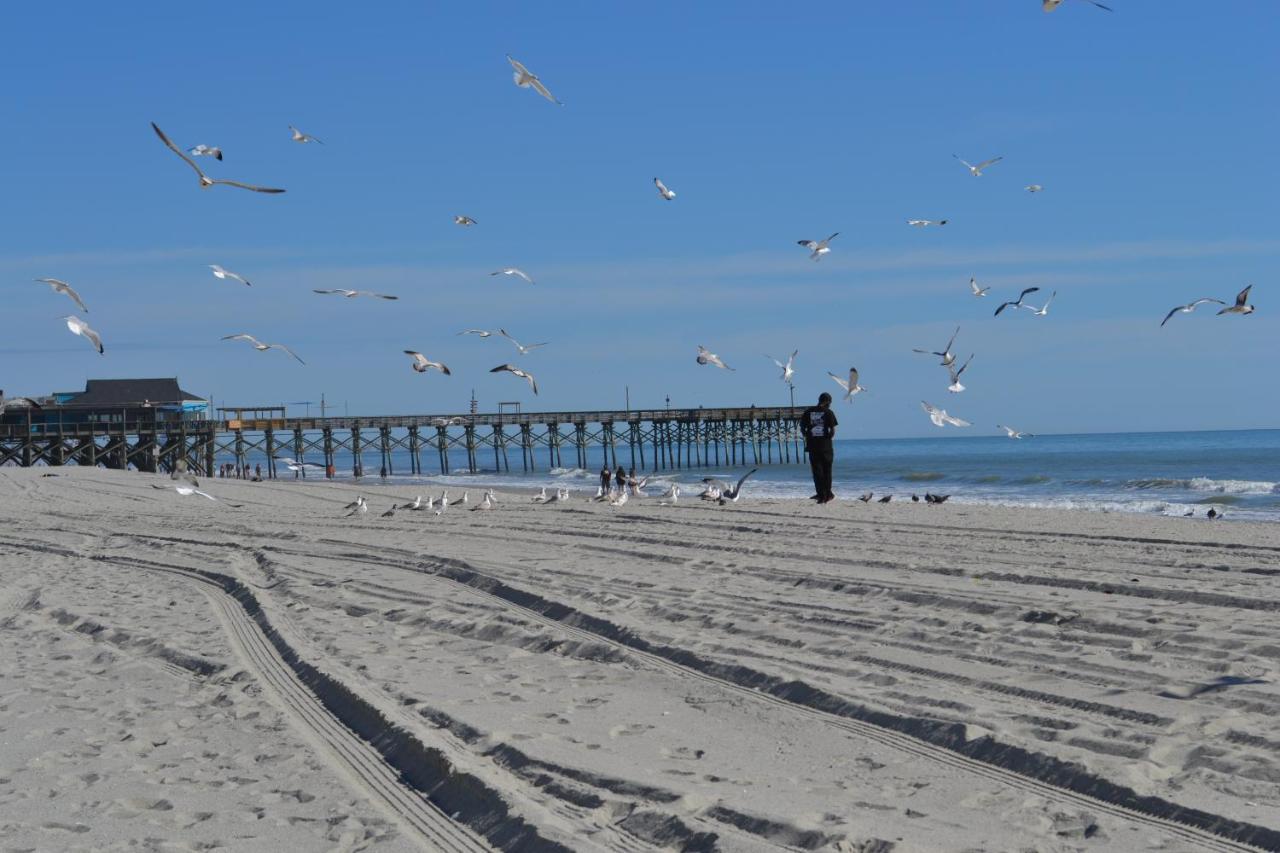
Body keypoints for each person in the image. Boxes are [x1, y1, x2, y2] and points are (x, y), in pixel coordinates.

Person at [803, 392, 838, 504]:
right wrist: (827, 439)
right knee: (827, 471)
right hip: (826, 447)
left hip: (813, 446)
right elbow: (832, 431)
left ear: (819, 400)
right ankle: (827, 494)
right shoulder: (829, 412)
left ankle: (821, 494)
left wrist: (808, 436)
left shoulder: (808, 412)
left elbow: (802, 429)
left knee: (817, 472)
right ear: (828, 401)